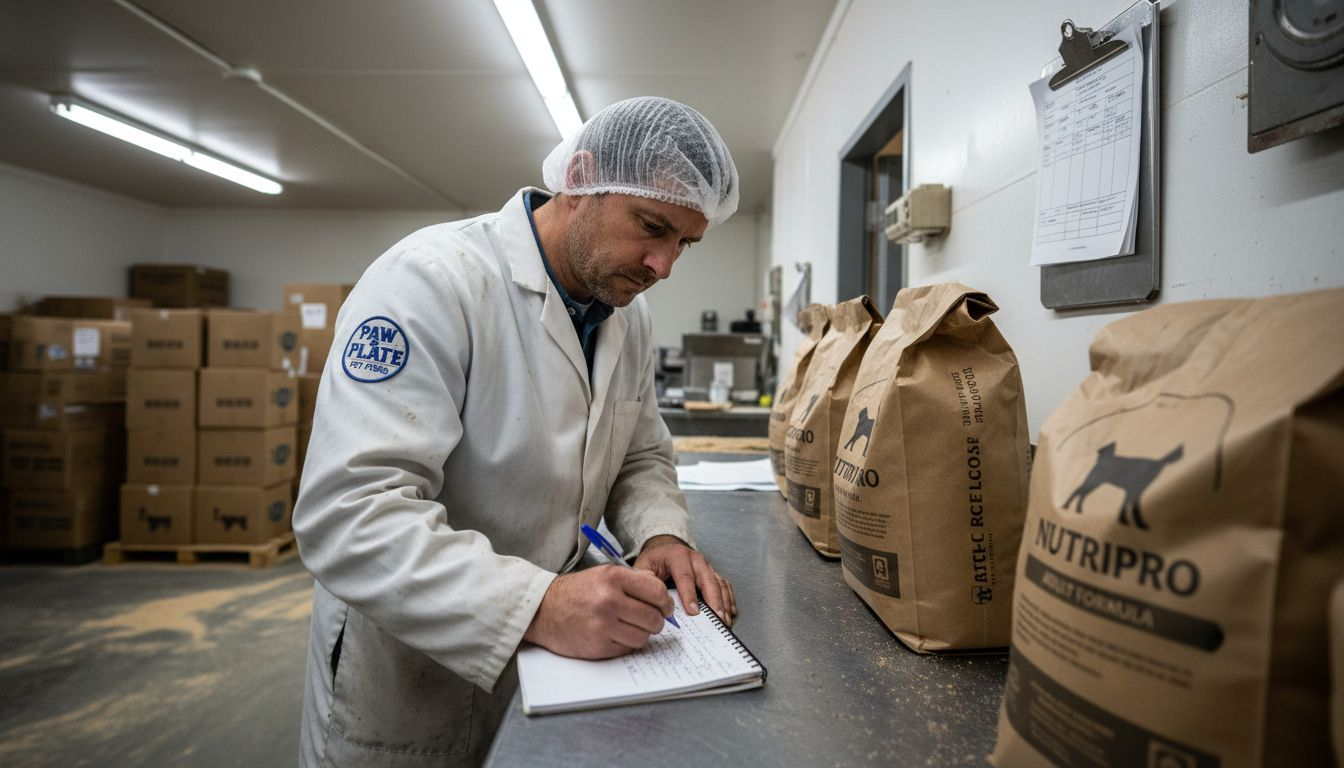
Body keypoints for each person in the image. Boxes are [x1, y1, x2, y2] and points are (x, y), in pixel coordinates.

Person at [294, 96, 741, 767]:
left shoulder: (626, 314)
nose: (664, 266)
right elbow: (349, 514)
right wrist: (537, 606)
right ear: (579, 179)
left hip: (555, 667)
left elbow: (640, 452)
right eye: (651, 226)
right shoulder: (431, 281)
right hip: (411, 673)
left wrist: (661, 532)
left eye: (684, 242)